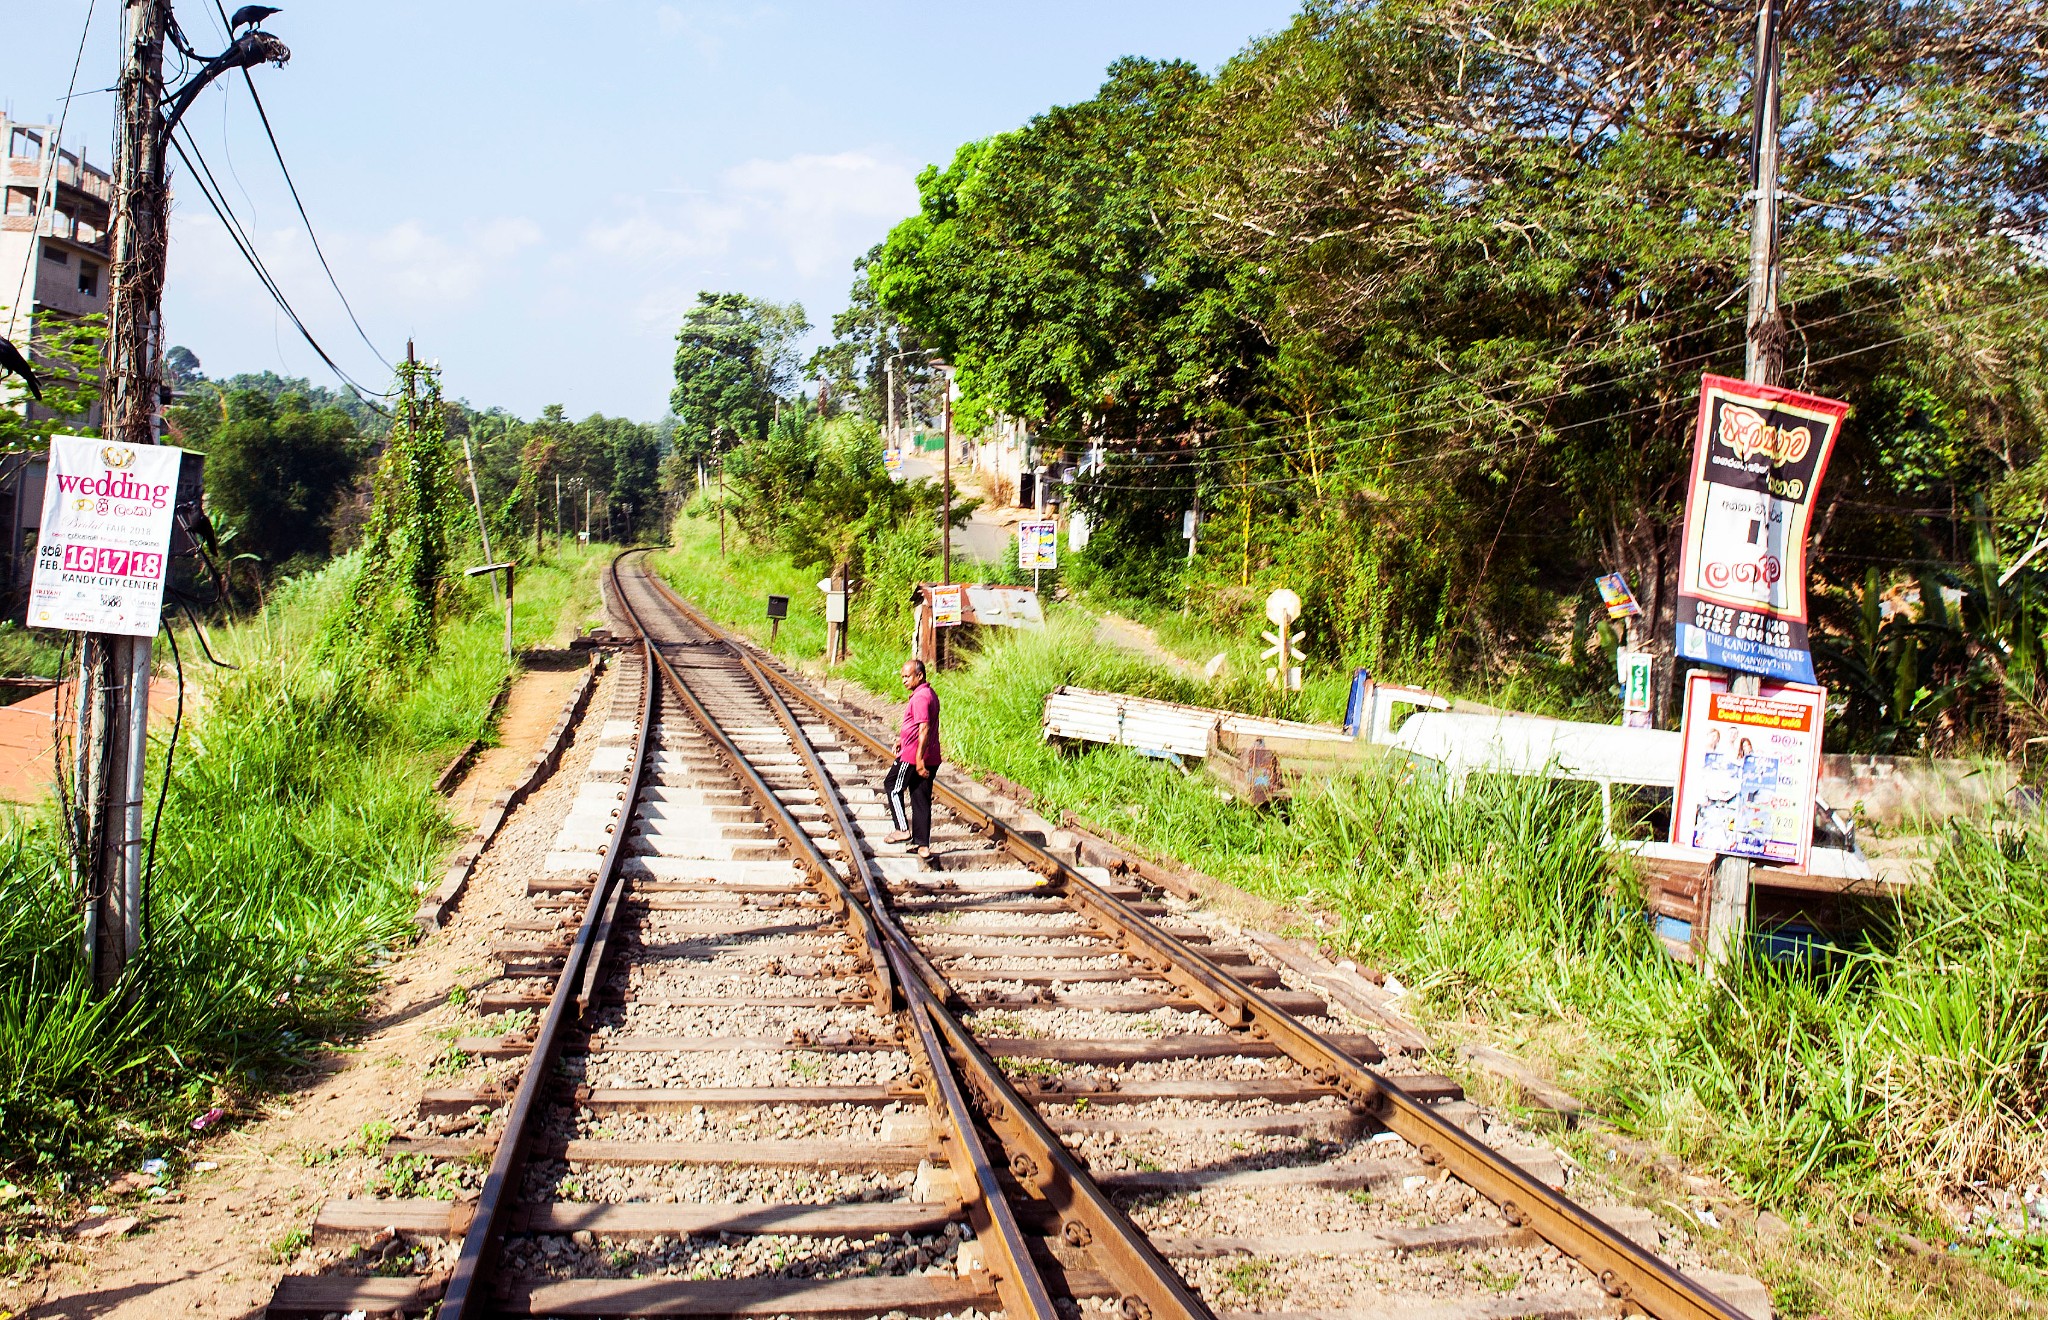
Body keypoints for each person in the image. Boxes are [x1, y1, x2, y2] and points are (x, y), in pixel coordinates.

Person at [884, 657, 941, 855]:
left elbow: (924, 728)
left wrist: (918, 760)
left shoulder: (920, 698)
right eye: (902, 677)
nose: (904, 680)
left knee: (892, 785)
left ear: (920, 675)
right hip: (931, 754)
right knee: (920, 796)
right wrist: (903, 738)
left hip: (912, 756)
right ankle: (922, 844)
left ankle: (902, 829)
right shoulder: (929, 693)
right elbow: (921, 727)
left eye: (908, 676)